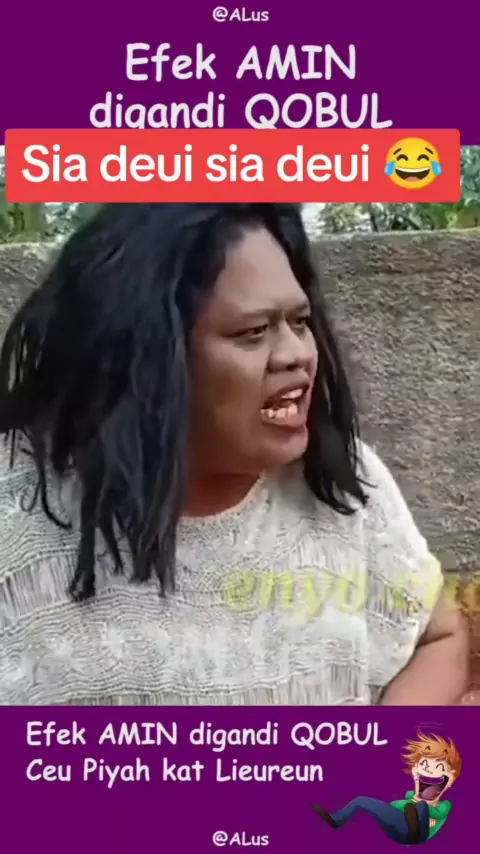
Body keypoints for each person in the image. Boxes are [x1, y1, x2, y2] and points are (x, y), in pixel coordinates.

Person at [0, 202, 467, 705]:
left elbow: (438, 636)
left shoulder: (342, 486)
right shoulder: (18, 515)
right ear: (147, 355)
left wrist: (372, 749)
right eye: (253, 332)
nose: (297, 353)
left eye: (300, 321)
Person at [311, 731, 460, 844]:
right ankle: (336, 820)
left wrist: (423, 814)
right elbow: (393, 807)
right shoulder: (407, 800)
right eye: (424, 765)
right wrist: (394, 809)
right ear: (415, 771)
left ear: (450, 779)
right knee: (361, 800)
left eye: (439, 768)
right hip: (397, 830)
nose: (429, 770)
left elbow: (437, 813)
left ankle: (414, 829)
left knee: (421, 806)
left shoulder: (443, 806)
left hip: (418, 835)